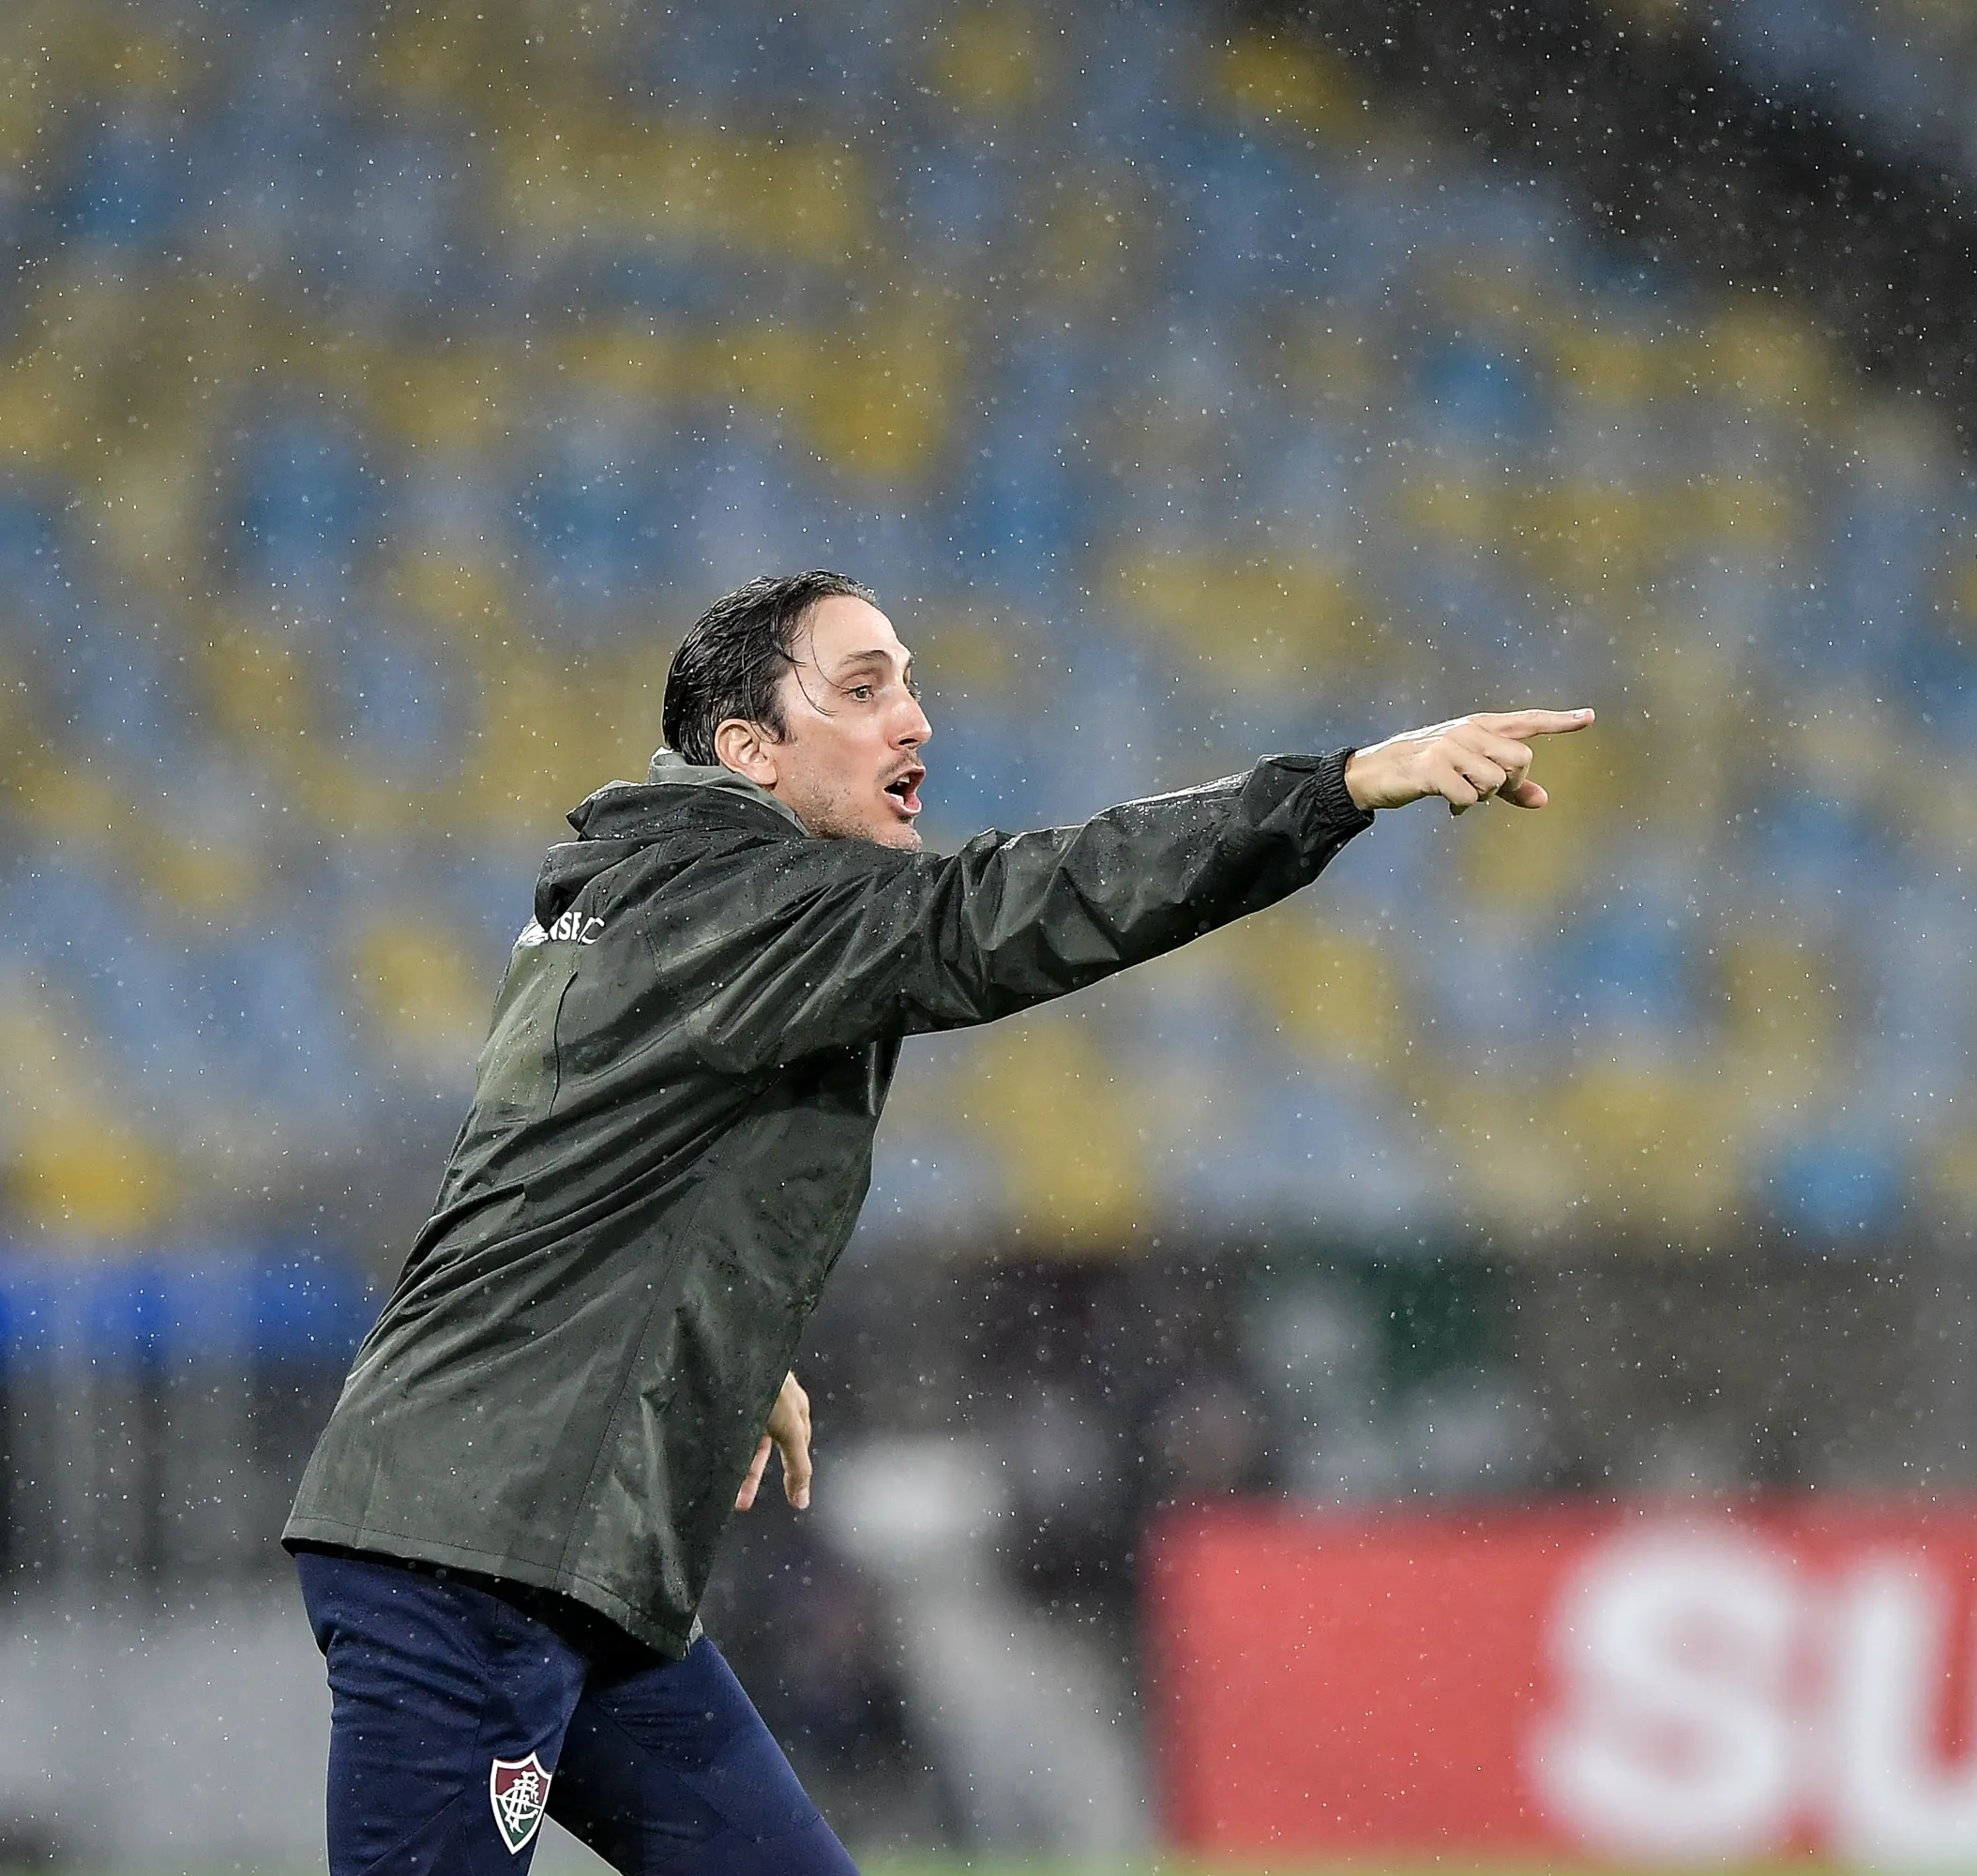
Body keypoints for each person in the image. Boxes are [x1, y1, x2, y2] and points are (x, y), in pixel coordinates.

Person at [283, 569, 1591, 1872]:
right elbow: (1008, 909)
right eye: (862, 690)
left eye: (910, 681)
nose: (913, 717)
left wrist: (716, 1342)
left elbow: (548, 1170)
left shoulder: (638, 895)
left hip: (571, 1534)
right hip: (473, 1547)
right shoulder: (736, 906)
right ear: (751, 750)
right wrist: (1341, 786)